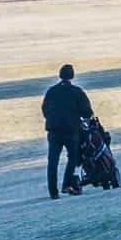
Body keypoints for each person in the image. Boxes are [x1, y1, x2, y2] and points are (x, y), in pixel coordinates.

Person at [42, 64, 92, 198]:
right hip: (71, 130)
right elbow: (87, 111)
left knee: (53, 161)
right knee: (73, 158)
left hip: (54, 131)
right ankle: (66, 184)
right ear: (72, 76)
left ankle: (53, 192)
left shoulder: (51, 91)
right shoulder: (77, 92)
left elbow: (45, 109)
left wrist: (52, 120)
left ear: (60, 75)